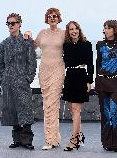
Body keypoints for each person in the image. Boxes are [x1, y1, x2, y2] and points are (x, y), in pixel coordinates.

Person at [0, 13, 36, 150]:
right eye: (8, 23)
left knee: (25, 110)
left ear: (20, 24)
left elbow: (32, 62)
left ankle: (27, 141)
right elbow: (0, 63)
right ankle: (17, 140)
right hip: (8, 81)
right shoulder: (4, 43)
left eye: (13, 23)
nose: (10, 26)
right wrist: (1, 78)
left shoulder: (27, 42)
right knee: (12, 110)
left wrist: (28, 78)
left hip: (22, 81)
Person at [31, 8, 65, 150]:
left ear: (58, 18)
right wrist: (27, 36)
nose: (52, 18)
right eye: (50, 16)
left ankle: (50, 140)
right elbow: (30, 46)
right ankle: (55, 138)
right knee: (47, 105)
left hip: (58, 70)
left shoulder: (64, 34)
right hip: (44, 71)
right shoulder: (42, 34)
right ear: (47, 18)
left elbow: (77, 42)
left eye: (55, 16)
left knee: (52, 103)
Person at [62, 21, 94, 151]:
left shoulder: (86, 44)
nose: (73, 31)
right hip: (69, 77)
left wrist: (89, 81)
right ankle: (79, 135)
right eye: (71, 29)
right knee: (73, 110)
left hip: (81, 76)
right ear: (68, 32)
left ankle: (73, 140)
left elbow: (91, 65)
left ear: (79, 30)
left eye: (75, 29)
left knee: (76, 110)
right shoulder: (66, 45)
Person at [95, 20, 117, 152]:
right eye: (105, 28)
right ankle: (107, 142)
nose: (106, 30)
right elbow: (98, 64)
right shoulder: (100, 45)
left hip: (116, 82)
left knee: (114, 111)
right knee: (105, 113)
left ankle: (116, 143)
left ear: (114, 30)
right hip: (102, 82)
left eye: (108, 28)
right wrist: (95, 81)